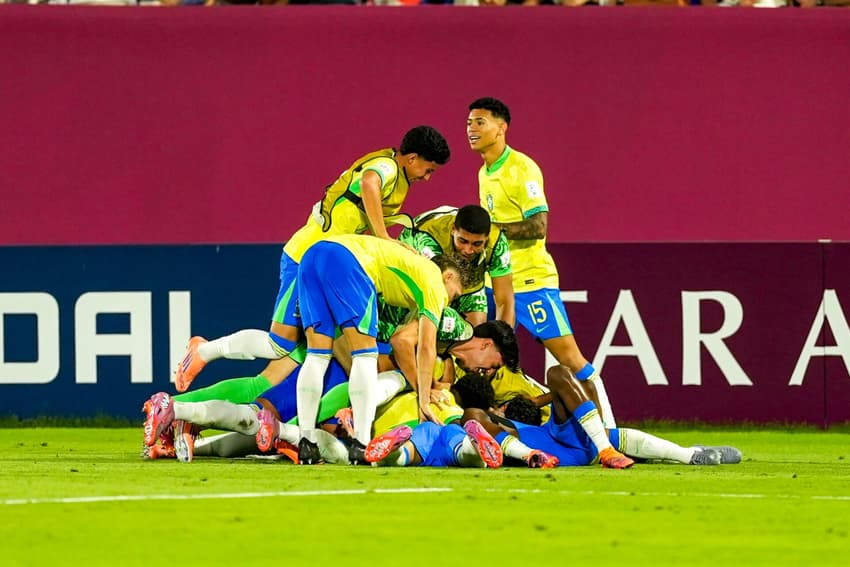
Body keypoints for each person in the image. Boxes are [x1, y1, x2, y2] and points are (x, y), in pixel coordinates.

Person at [173, 125, 451, 397]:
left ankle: (304, 431)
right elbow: (369, 181)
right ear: (412, 158)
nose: (427, 178)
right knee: (278, 346)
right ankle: (203, 352)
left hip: (330, 271)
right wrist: (382, 237)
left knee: (292, 368)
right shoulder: (387, 167)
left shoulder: (396, 177)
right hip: (305, 261)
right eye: (428, 170)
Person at [466, 96, 618, 431]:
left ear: (501, 127)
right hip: (498, 285)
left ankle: (608, 428)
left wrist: (491, 230)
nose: (471, 129)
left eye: (480, 122)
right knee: (488, 361)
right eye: (469, 123)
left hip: (532, 282)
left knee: (569, 357)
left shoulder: (522, 168)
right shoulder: (484, 172)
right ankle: (500, 430)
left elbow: (538, 226)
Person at [294, 234, 462, 465]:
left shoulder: (411, 266)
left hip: (312, 255)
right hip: (349, 261)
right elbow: (426, 347)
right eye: (455, 295)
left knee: (317, 355)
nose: (450, 302)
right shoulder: (435, 281)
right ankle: (361, 445)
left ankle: (306, 443)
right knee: (365, 355)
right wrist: (424, 400)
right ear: (449, 276)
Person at [462, 365, 743, 468]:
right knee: (561, 375)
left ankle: (692, 455)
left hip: (559, 440)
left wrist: (538, 400)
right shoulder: (490, 419)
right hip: (559, 450)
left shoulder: (515, 424)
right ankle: (684, 454)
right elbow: (475, 416)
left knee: (578, 379)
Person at [399, 204, 514, 326]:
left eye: (477, 244)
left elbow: (505, 301)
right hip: (415, 271)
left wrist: (504, 341)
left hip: (468, 276)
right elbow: (435, 295)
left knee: (475, 335)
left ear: (486, 238)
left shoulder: (497, 243)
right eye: (463, 241)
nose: (468, 250)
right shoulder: (428, 239)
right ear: (453, 230)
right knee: (430, 326)